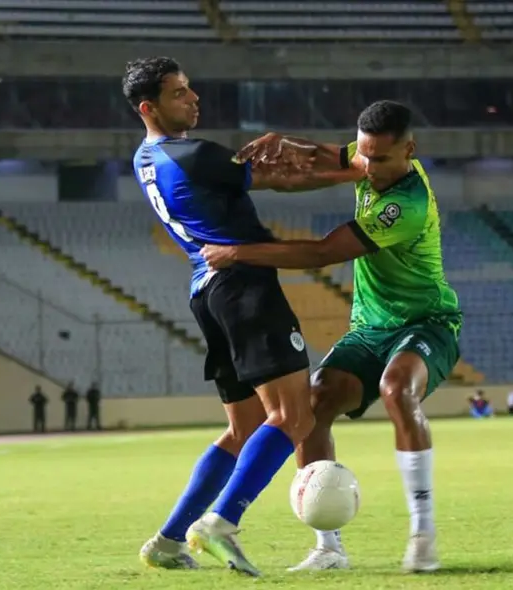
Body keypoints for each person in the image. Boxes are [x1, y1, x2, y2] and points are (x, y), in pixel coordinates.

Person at [201, 100, 462, 573]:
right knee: (314, 405)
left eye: (380, 160)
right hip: (369, 327)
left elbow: (323, 253)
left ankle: (423, 533)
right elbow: (330, 159)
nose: (370, 168)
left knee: (397, 390)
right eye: (365, 155)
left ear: (410, 151)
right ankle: (328, 547)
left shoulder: (405, 204)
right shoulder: (371, 158)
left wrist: (240, 252)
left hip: (427, 322)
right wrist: (286, 141)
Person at [125, 56, 347, 577]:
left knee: (246, 429)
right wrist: (362, 168)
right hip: (243, 286)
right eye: (180, 92)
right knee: (296, 416)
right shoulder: (194, 154)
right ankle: (221, 521)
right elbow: (287, 178)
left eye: (190, 87)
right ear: (148, 107)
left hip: (206, 291)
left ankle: (168, 539)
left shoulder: (146, 158)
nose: (194, 97)